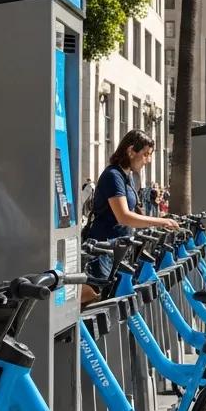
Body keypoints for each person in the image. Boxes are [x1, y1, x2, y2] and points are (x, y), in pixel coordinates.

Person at [83, 129, 178, 304]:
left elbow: (134, 210)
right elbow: (124, 216)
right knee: (99, 304)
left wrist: (161, 219)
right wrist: (161, 221)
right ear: (131, 150)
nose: (148, 160)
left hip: (118, 250)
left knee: (115, 303)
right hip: (103, 250)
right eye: (146, 155)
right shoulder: (113, 176)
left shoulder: (127, 177)